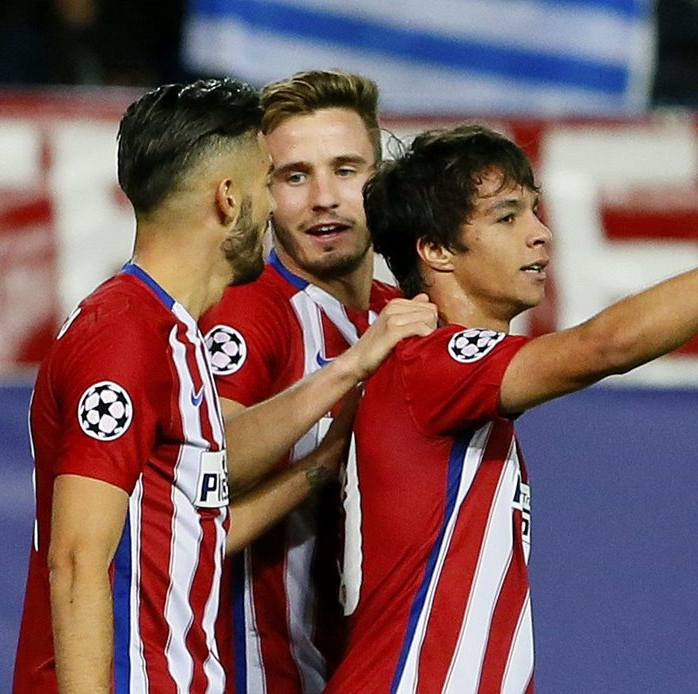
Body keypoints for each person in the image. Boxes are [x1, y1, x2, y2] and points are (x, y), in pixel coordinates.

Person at [330, 124, 698, 691]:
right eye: (507, 217)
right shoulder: (429, 364)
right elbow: (605, 345)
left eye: (535, 212)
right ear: (436, 250)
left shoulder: (447, 382)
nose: (540, 234)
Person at [12, 76, 434, 693]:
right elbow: (77, 562)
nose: (286, 204)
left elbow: (197, 533)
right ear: (230, 200)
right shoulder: (122, 338)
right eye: (273, 179)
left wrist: (320, 463)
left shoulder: (173, 337)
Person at [198, 69, 395, 693]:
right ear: (263, 191)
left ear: (379, 180)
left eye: (345, 169)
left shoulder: (402, 316)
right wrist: (346, 387)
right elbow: (208, 466)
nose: (324, 198)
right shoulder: (252, 308)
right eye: (295, 176)